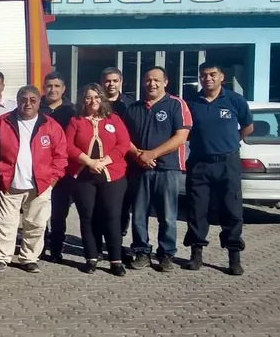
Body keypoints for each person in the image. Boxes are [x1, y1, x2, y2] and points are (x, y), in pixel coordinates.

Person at [183, 62, 252, 275]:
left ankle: (234, 256)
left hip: (227, 163)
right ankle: (196, 255)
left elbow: (248, 127)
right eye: (204, 75)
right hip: (199, 163)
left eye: (213, 74)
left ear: (222, 76)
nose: (208, 78)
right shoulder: (191, 102)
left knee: (232, 209)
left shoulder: (235, 100)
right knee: (196, 209)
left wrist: (231, 143)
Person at [0, 86, 67, 274]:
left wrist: (53, 179)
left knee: (36, 224)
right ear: (17, 101)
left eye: (33, 100)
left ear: (39, 102)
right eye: (23, 99)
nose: (28, 104)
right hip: (9, 183)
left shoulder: (50, 125)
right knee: (5, 223)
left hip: (40, 185)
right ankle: (2, 257)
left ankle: (29, 258)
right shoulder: (2, 122)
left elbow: (60, 156)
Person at [123, 67, 191, 273]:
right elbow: (123, 138)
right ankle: (142, 252)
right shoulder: (133, 108)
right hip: (139, 169)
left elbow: (181, 137)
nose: (152, 84)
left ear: (165, 82)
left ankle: (166, 254)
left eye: (156, 80)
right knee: (139, 214)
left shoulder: (176, 104)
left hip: (167, 169)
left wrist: (152, 154)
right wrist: (138, 155)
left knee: (167, 215)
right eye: (148, 80)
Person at [66, 83, 131, 277]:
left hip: (113, 175)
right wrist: (89, 162)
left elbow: (123, 144)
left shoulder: (114, 119)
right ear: (83, 100)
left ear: (102, 99)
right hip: (83, 175)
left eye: (96, 97)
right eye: (88, 97)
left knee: (112, 215)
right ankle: (91, 257)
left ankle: (115, 260)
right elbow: (68, 146)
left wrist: (105, 161)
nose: (93, 101)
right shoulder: (75, 121)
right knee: (88, 216)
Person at [40, 71, 77, 262]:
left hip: (63, 169)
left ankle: (56, 248)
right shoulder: (37, 108)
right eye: (49, 86)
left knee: (59, 211)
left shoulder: (72, 112)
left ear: (63, 89)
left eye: (56, 86)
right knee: (38, 211)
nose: (52, 90)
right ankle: (39, 247)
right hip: (39, 168)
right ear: (43, 88)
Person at [101, 66, 136, 241]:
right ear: (102, 83)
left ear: (121, 82)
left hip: (126, 160)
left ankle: (118, 238)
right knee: (101, 203)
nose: (111, 84)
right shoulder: (95, 103)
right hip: (101, 160)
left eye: (115, 81)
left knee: (123, 202)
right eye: (108, 81)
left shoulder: (130, 105)